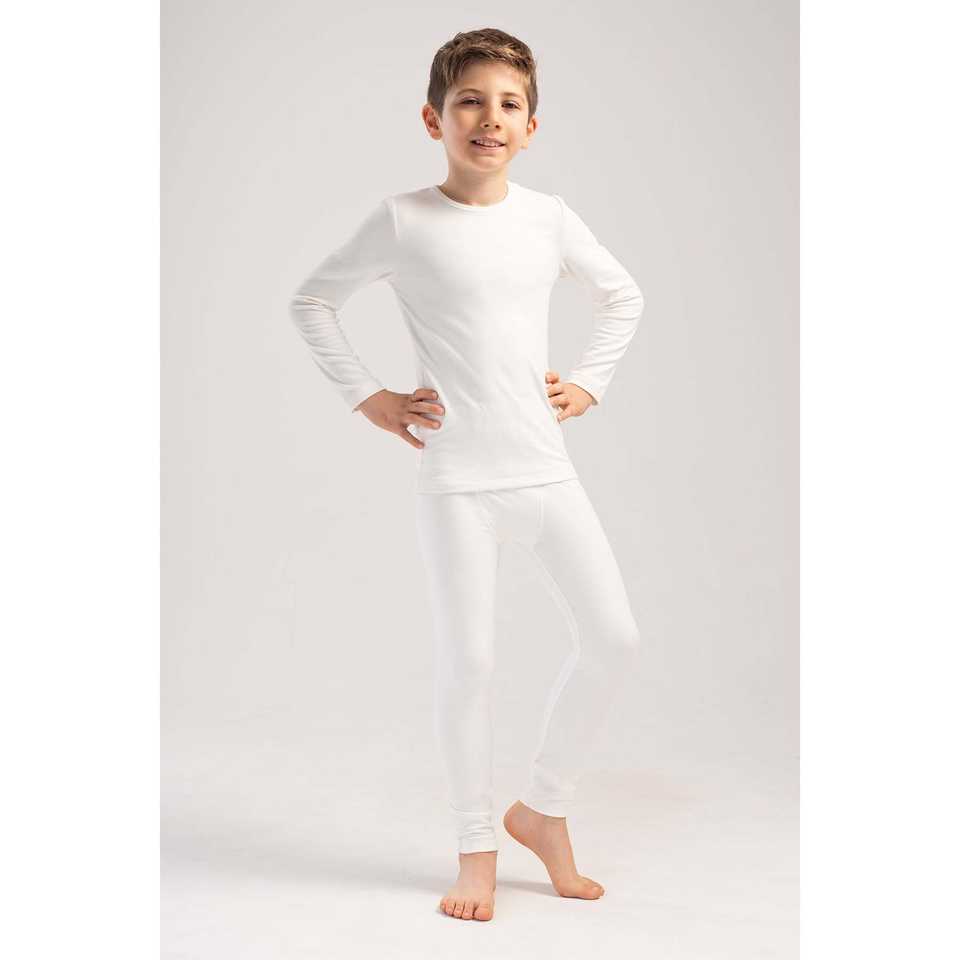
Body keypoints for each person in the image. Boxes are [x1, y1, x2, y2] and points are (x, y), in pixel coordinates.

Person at [288, 27, 645, 922]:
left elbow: (622, 295)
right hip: (457, 482)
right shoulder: (404, 220)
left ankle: (544, 810)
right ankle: (476, 848)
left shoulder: (548, 218)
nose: (490, 118)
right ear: (434, 118)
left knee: (614, 640)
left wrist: (590, 381)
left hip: (544, 471)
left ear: (531, 126)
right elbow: (313, 300)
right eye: (470, 102)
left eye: (508, 104)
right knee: (471, 663)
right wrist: (369, 396)